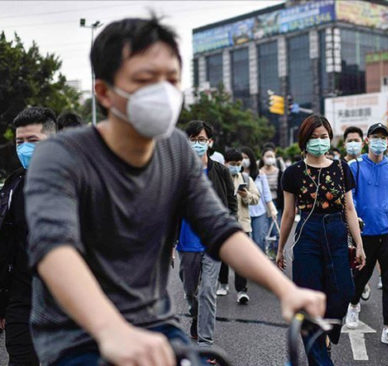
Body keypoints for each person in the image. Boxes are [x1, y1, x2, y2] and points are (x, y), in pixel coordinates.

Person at [23, 17, 325, 366]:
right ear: (104, 92)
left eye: (170, 79)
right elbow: (55, 249)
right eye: (144, 80)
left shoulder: (175, 151)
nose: (162, 92)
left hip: (155, 327)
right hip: (79, 337)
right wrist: (111, 331)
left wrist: (286, 289)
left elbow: (221, 229)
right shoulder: (60, 156)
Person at [276, 115, 366, 366]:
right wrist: (280, 248)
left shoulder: (340, 168)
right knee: (308, 302)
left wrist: (358, 244)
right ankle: (320, 360)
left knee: (345, 291)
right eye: (314, 137)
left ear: (330, 137)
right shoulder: (292, 172)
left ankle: (325, 333)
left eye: (323, 136)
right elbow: (288, 213)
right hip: (308, 233)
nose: (319, 141)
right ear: (304, 141)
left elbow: (349, 208)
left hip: (337, 231)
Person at [0, 106, 56, 366]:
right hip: (21, 302)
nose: (24, 148)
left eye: (33, 141)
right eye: (19, 142)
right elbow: (6, 246)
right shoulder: (13, 188)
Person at [176, 120, 237, 348]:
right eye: (193, 140)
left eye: (202, 140)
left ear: (210, 143)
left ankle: (205, 343)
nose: (198, 144)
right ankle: (195, 316)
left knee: (208, 292)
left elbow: (231, 203)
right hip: (186, 242)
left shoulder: (221, 171)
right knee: (191, 292)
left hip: (213, 243)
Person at [345, 123, 388, 346]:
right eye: (375, 137)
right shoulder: (354, 166)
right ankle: (354, 304)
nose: (379, 141)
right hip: (364, 234)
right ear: (367, 140)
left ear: (387, 142)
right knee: (361, 277)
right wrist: (356, 221)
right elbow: (351, 198)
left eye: (383, 138)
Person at [218, 149, 260, 304]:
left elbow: (256, 198)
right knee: (222, 256)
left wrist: (246, 195)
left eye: (238, 164)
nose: (235, 167)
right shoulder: (220, 177)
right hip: (222, 223)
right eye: (232, 164)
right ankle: (223, 283)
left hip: (242, 225)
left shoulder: (246, 179)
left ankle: (242, 290)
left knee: (241, 259)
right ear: (225, 163)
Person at [241, 146, 278, 255]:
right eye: (242, 158)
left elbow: (267, 194)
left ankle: (260, 267)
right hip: (243, 213)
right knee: (245, 243)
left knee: (259, 241)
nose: (244, 160)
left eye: (246, 157)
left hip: (259, 213)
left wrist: (272, 210)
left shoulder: (260, 174)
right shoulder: (237, 175)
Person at [259, 146, 284, 258]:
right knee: (263, 230)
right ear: (263, 158)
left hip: (276, 204)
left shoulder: (280, 172)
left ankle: (274, 254)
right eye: (267, 156)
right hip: (262, 205)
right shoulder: (259, 173)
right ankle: (263, 255)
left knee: (276, 230)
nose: (269, 158)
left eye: (271, 156)